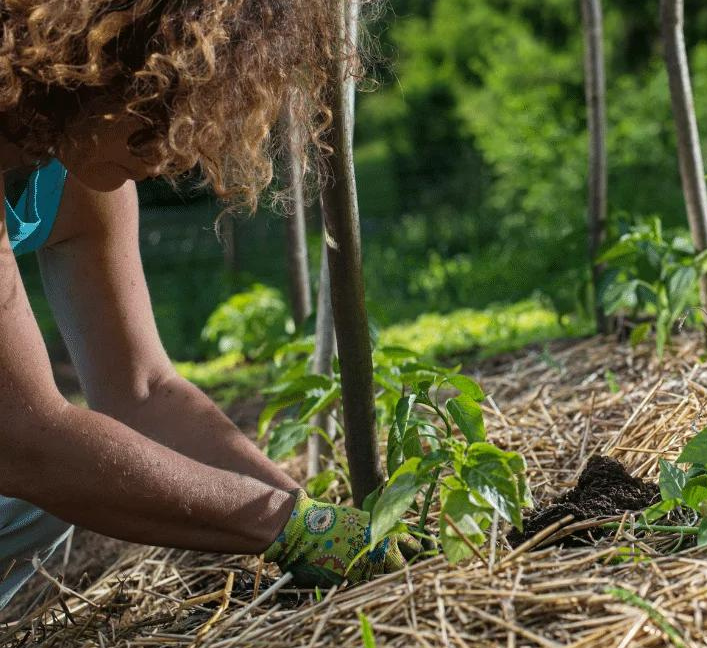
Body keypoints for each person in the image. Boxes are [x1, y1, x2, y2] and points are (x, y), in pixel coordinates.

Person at [0, 0, 407, 609]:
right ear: (96, 64)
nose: (181, 151)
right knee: (52, 476)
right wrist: (278, 525)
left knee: (40, 505)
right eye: (163, 105)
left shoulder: (76, 166)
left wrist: (308, 516)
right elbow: (22, 436)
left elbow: (142, 390)